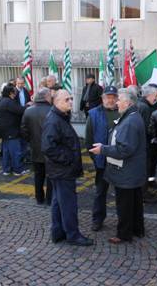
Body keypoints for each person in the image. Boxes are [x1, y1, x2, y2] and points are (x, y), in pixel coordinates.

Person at [89, 88, 147, 244]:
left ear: (127, 103)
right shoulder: (132, 116)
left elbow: (124, 149)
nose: (116, 102)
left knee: (125, 205)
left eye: (119, 99)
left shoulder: (130, 121)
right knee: (134, 202)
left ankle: (124, 234)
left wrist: (103, 149)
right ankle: (137, 229)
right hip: (131, 170)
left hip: (126, 171)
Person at [41, 90, 93, 246]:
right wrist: (68, 158)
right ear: (56, 102)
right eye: (66, 99)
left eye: (71, 98)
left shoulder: (60, 117)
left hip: (60, 170)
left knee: (58, 202)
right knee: (68, 204)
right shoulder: (54, 120)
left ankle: (58, 232)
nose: (71, 101)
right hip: (62, 170)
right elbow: (48, 147)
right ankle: (73, 235)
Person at [85, 86, 120, 231]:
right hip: (102, 161)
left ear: (117, 98)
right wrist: (95, 158)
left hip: (119, 160)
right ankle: (97, 220)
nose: (110, 100)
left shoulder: (122, 112)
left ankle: (123, 220)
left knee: (121, 193)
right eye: (107, 97)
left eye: (113, 97)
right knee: (100, 192)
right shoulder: (93, 114)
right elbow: (89, 139)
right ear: (102, 98)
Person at [20, 87, 53, 205]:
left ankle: (39, 198)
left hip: (35, 148)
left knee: (38, 175)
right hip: (50, 149)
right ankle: (50, 199)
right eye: (50, 95)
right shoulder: (53, 110)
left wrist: (31, 141)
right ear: (46, 97)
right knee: (50, 176)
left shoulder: (28, 110)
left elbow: (23, 130)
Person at [136, 85, 157, 203]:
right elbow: (148, 127)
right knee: (146, 167)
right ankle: (144, 193)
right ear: (148, 95)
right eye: (155, 95)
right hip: (147, 143)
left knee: (152, 165)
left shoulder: (147, 105)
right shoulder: (144, 108)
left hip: (149, 144)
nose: (156, 97)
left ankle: (151, 182)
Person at [0, 85, 28, 176]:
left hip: (3, 129)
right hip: (11, 130)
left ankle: (6, 169)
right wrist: (28, 105)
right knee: (15, 151)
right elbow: (20, 110)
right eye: (15, 92)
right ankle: (17, 170)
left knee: (6, 151)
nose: (16, 94)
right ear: (10, 93)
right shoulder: (9, 102)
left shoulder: (1, 100)